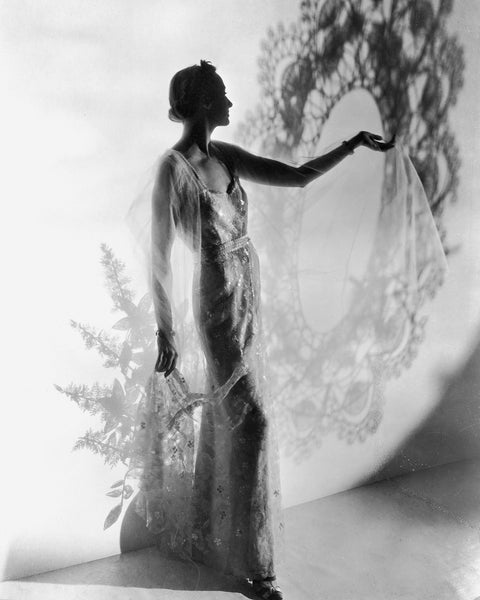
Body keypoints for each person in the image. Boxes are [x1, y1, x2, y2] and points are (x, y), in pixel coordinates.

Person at [141, 60, 394, 600]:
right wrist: (166, 330)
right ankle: (256, 569)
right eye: (223, 95)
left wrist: (351, 145)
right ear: (204, 103)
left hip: (250, 297)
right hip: (216, 304)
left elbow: (297, 176)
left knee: (230, 415)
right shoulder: (173, 170)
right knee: (252, 418)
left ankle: (212, 534)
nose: (231, 103)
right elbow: (158, 256)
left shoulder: (227, 157)